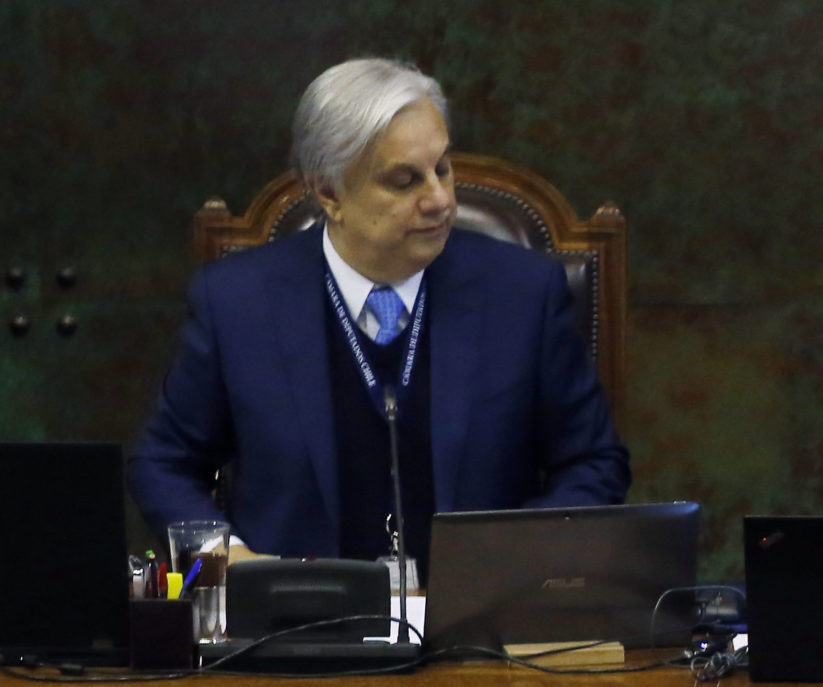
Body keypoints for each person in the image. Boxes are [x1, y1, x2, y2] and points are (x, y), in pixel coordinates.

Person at [128, 58, 628, 571]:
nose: (439, 200)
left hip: (477, 611)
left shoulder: (523, 293)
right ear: (329, 193)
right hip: (299, 610)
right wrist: (227, 559)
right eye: (404, 181)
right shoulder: (238, 302)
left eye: (442, 169)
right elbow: (163, 464)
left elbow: (593, 464)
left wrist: (515, 561)